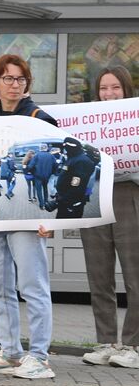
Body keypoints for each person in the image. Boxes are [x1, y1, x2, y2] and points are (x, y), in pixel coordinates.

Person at [0, 55, 56, 380]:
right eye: (8, 78)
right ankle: (9, 351)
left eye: (20, 79)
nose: (14, 84)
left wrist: (51, 217)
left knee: (33, 285)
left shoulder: (40, 118)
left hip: (27, 216)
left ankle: (39, 356)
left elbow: (53, 169)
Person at [81, 67, 139, 368]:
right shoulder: (87, 122)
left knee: (135, 276)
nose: (109, 93)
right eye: (104, 88)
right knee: (99, 275)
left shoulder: (136, 116)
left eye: (115, 87)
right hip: (95, 198)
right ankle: (105, 341)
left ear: (126, 89)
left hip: (130, 195)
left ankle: (133, 345)